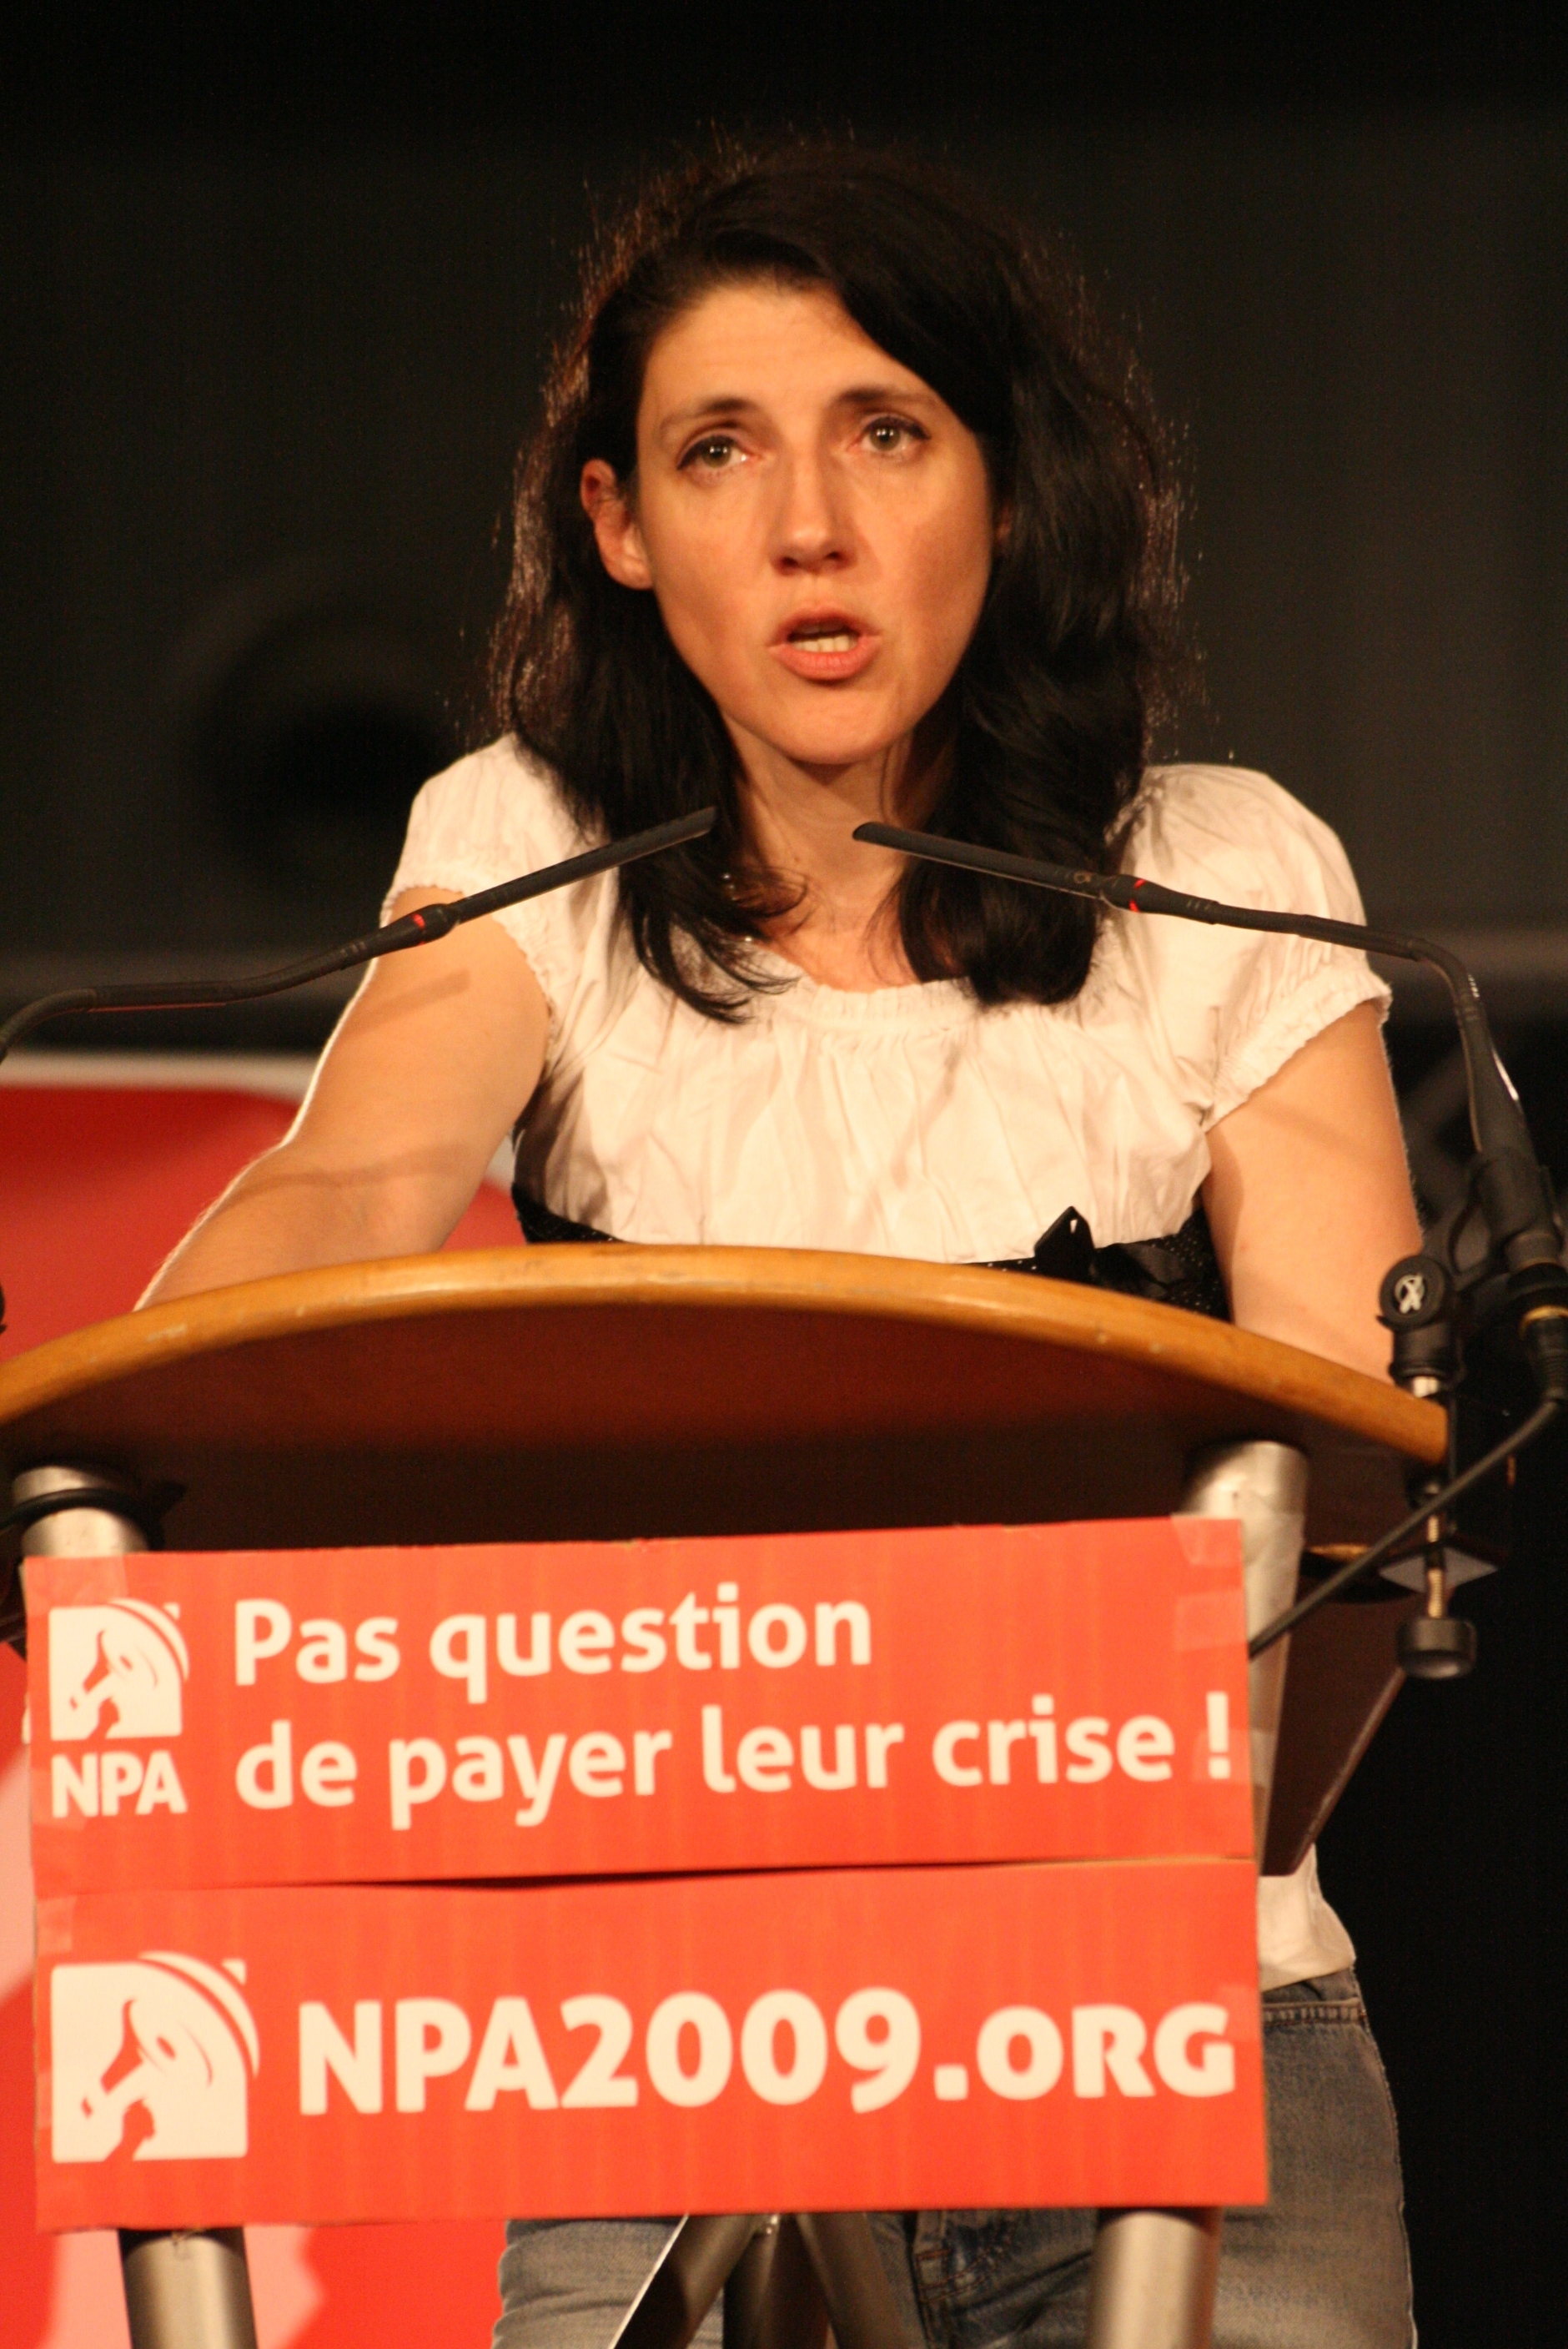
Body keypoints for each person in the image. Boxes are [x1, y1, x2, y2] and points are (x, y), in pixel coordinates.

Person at [145, 143, 1420, 2346]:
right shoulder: (532, 848)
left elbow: (1350, 1424)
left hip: (1183, 2020)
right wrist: (125, 1433)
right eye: (719, 451)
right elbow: (346, 1190)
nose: (808, 526)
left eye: (886, 434)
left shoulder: (1224, 877)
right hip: (669, 2044)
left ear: (1005, 486)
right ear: (624, 526)